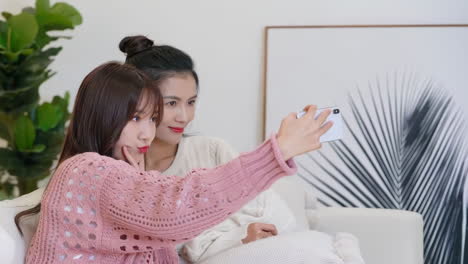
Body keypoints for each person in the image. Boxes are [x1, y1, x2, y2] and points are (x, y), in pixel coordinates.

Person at [17, 61, 332, 264]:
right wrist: (277, 151)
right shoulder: (84, 170)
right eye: (135, 117)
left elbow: (166, 233)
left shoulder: (118, 178)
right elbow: (180, 203)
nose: (147, 132)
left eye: (152, 119)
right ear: (102, 116)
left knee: (311, 247)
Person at [120, 35, 298, 262]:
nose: (184, 117)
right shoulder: (114, 166)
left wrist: (241, 237)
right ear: (139, 101)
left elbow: (268, 215)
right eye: (172, 103)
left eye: (191, 102)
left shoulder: (211, 151)